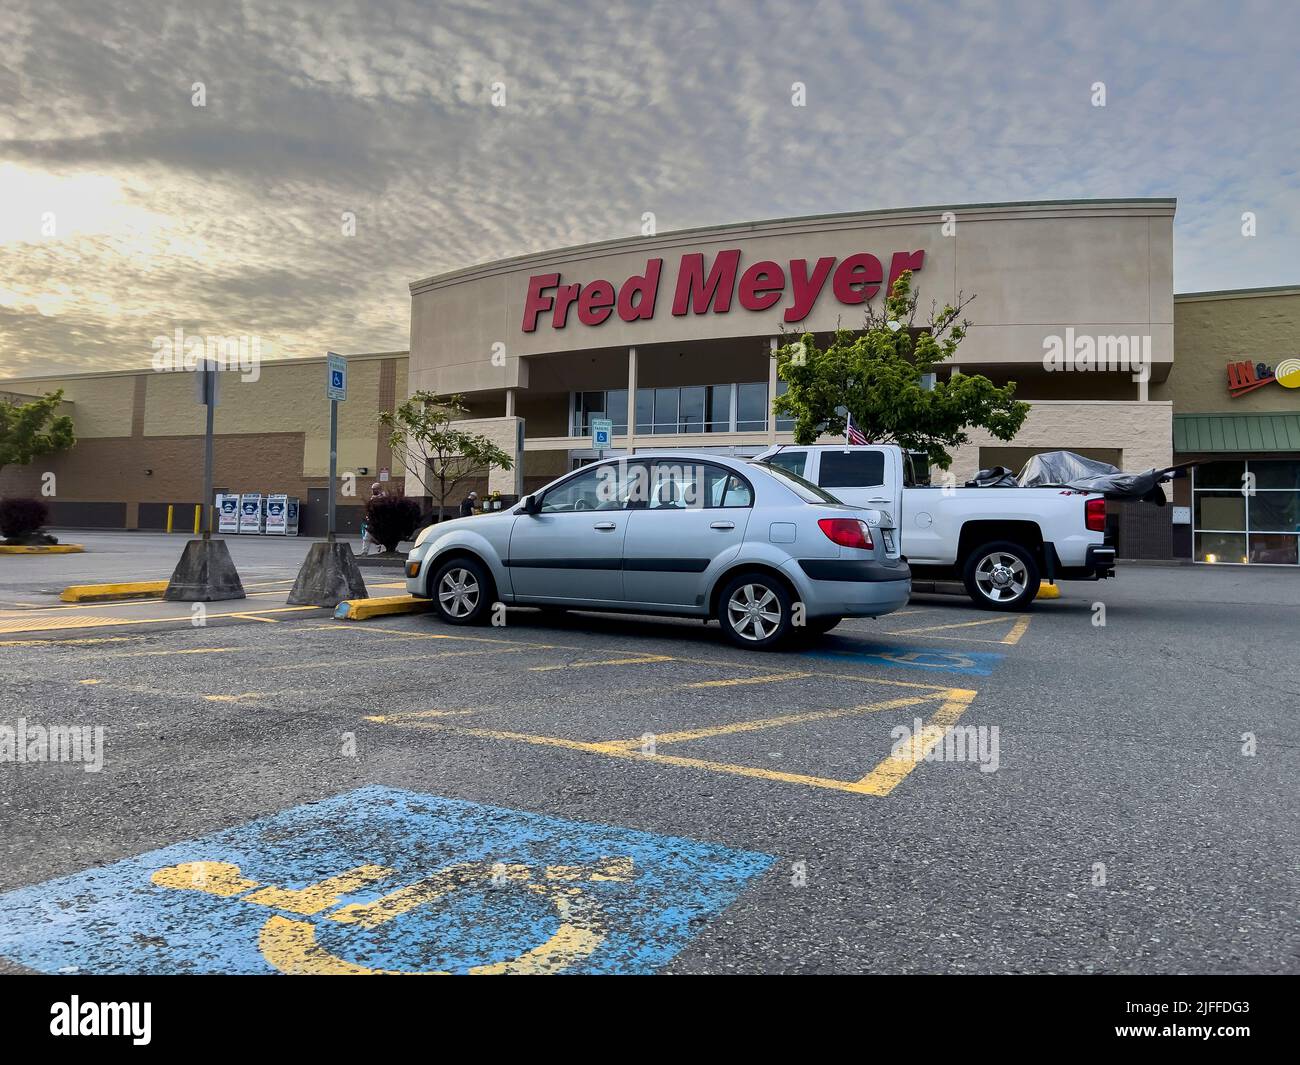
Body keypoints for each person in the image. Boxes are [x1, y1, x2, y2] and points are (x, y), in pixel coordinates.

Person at [360, 483, 385, 555]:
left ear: (379, 489)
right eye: (372, 489)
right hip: (372, 521)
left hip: (379, 522)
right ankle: (365, 552)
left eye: (374, 489)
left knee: (373, 537)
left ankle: (378, 545)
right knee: (367, 537)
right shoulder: (373, 498)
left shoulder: (382, 499)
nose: (373, 490)